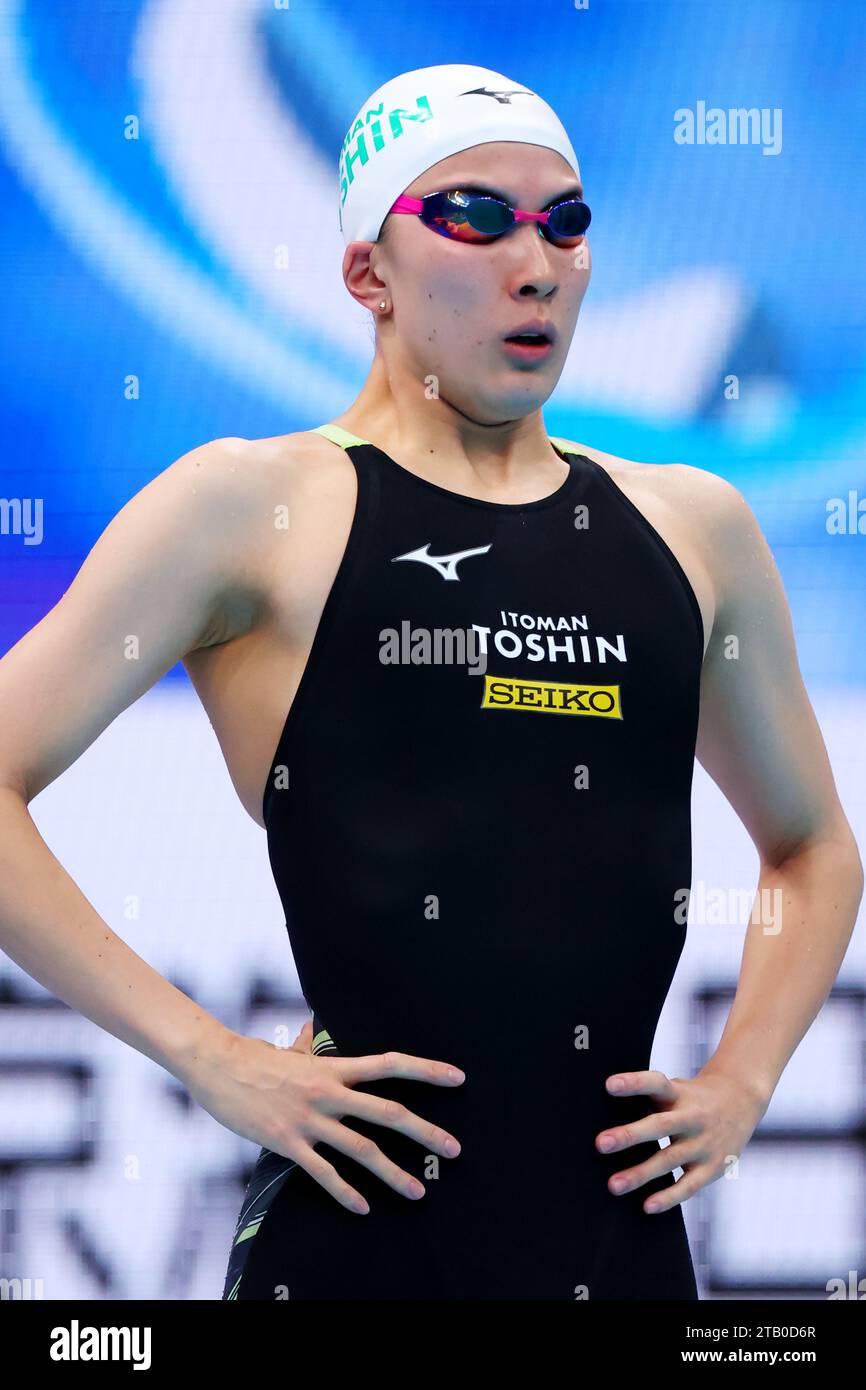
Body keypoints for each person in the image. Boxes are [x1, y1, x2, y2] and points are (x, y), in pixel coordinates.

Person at [0, 64, 861, 1301]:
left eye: (564, 222)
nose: (535, 263)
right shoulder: (258, 509)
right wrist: (206, 1055)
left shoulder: (689, 527)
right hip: (353, 1248)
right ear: (367, 273)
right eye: (472, 216)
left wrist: (743, 1082)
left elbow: (811, 843)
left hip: (617, 1253)